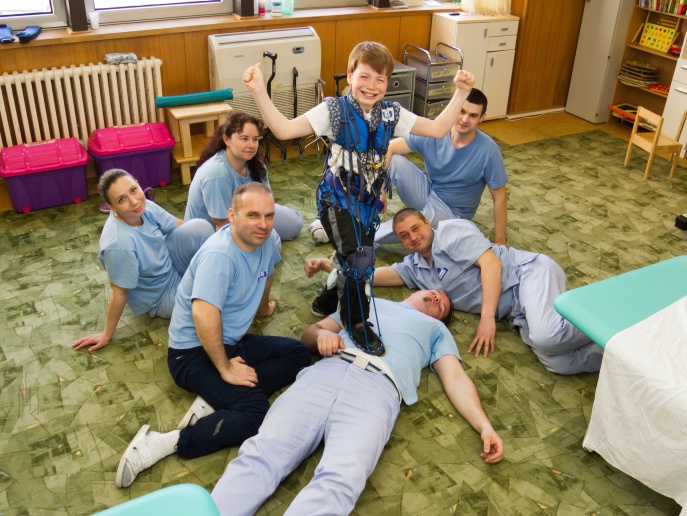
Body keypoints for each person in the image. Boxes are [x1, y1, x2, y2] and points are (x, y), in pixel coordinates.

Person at [243, 41, 476, 356]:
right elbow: (284, 130)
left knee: (353, 259)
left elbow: (436, 129)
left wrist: (460, 93)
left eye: (381, 79)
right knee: (361, 259)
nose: (372, 86)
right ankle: (355, 323)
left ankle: (327, 299)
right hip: (335, 199)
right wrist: (259, 90)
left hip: (367, 204)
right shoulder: (333, 110)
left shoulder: (391, 113)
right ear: (350, 75)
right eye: (364, 76)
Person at [210, 289, 503, 515]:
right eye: (435, 292)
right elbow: (310, 333)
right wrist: (322, 334)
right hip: (327, 369)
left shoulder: (436, 330)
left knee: (341, 479)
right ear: (415, 291)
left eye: (443, 305)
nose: (437, 298)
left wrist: (485, 427)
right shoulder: (366, 300)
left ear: (440, 318)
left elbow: (456, 379)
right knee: (263, 452)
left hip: (378, 390)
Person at [114, 182, 311, 489]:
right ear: (232, 216)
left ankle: (218, 399)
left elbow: (267, 275)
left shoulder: (266, 240)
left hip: (230, 341)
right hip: (190, 353)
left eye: (269, 215)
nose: (263, 224)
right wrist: (225, 368)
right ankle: (165, 442)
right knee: (256, 414)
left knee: (298, 354)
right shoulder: (219, 255)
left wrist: (262, 309)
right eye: (253, 215)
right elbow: (203, 314)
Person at [307, 208, 603, 375]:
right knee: (557, 362)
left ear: (427, 222)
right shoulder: (416, 267)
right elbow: (374, 276)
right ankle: (615, 346)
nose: (413, 237)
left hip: (527, 274)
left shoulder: (451, 232)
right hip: (516, 310)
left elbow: (492, 265)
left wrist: (486, 319)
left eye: (416, 228)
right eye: (404, 236)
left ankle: (608, 312)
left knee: (546, 336)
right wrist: (327, 267)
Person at [73, 169, 213, 352]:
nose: (133, 201)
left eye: (133, 190)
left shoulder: (143, 206)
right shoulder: (119, 244)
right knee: (211, 298)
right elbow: (120, 292)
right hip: (160, 296)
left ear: (138, 184)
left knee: (200, 227)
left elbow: (179, 227)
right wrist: (107, 334)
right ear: (111, 207)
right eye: (121, 200)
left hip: (168, 262)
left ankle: (203, 274)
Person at [374, 88, 509, 246]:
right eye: (461, 111)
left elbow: (500, 198)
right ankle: (362, 215)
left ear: (482, 118)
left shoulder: (489, 151)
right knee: (394, 161)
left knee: (415, 226)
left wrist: (500, 242)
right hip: (430, 193)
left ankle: (364, 237)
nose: (465, 119)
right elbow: (389, 148)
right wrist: (379, 189)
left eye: (473, 115)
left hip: (453, 214)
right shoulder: (435, 132)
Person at [184, 109, 303, 243]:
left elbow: (265, 204)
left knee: (295, 224)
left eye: (255, 139)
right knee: (272, 242)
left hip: (248, 213)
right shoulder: (216, 173)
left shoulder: (256, 164)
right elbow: (222, 226)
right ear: (226, 140)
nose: (251, 145)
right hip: (212, 234)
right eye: (244, 139)